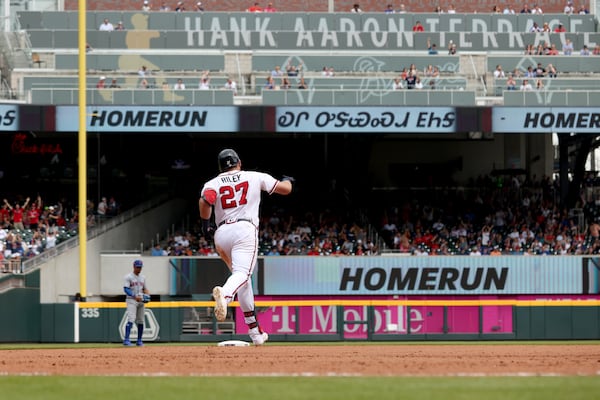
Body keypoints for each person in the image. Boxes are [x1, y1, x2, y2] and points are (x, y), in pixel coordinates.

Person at [199, 149, 293, 345]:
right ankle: (225, 295)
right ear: (239, 162)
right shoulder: (254, 176)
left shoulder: (213, 183)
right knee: (242, 274)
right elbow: (285, 190)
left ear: (220, 167)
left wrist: (205, 223)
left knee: (242, 280)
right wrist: (288, 180)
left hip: (222, 234)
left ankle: (255, 333)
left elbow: (205, 200)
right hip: (244, 229)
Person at [123, 259, 150, 346]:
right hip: (131, 300)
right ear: (134, 266)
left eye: (140, 267)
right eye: (137, 267)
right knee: (131, 318)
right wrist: (135, 296)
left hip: (141, 300)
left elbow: (145, 288)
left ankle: (139, 340)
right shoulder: (128, 277)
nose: (139, 269)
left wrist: (147, 293)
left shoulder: (143, 277)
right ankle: (126, 340)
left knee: (141, 320)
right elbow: (126, 289)